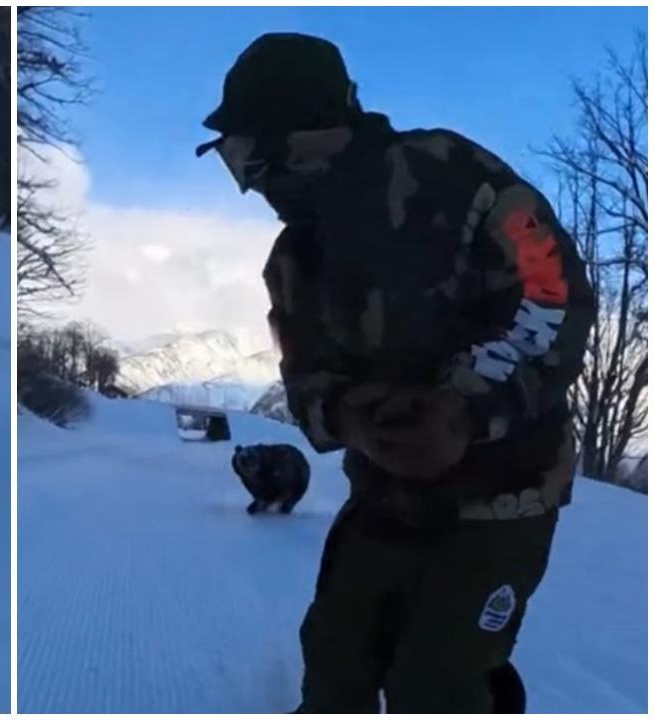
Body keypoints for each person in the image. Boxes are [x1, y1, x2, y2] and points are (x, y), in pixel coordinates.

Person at [196, 33, 596, 712]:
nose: (252, 186)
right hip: (385, 494)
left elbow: (553, 295)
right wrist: (348, 415)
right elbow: (305, 377)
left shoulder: (452, 175)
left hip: (505, 496)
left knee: (437, 683)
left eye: (250, 157)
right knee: (335, 659)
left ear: (302, 139)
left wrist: (464, 412)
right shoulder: (294, 259)